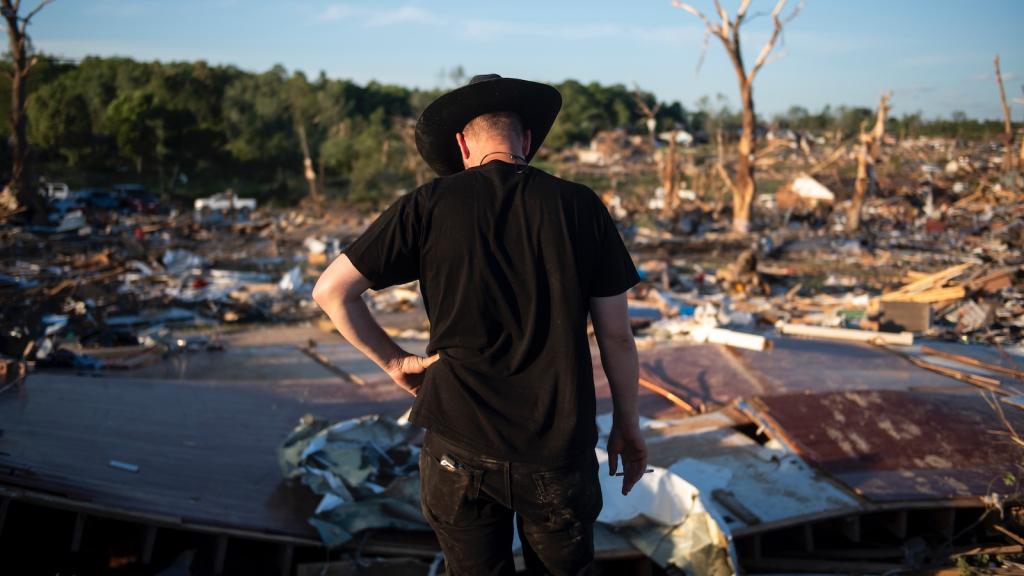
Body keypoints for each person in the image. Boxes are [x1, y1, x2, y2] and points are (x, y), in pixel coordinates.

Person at [312, 74, 647, 576]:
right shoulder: (580, 206)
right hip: (556, 450)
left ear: (463, 145)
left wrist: (395, 362)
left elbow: (331, 291)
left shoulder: (427, 204)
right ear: (526, 142)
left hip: (458, 445)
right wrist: (628, 424)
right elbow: (616, 336)